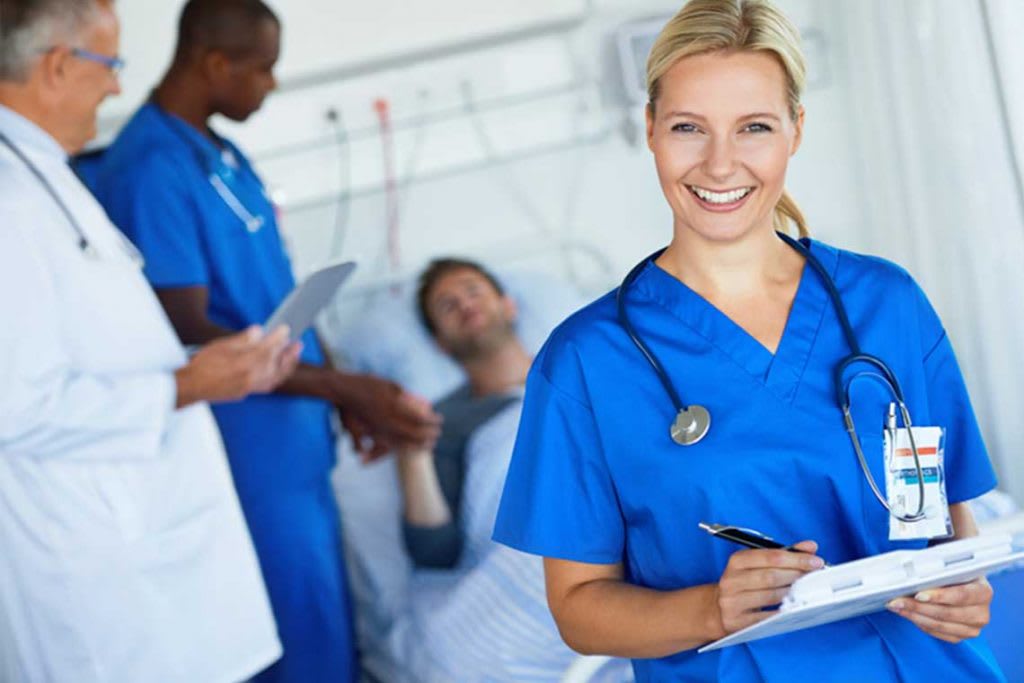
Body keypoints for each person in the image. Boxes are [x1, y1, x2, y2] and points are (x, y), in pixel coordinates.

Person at [493, 1, 1005, 681]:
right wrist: (712, 608)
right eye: (687, 128)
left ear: (796, 128)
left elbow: (942, 519)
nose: (721, 162)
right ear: (649, 129)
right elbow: (579, 608)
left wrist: (963, 594)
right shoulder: (587, 362)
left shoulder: (886, 304)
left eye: (754, 127)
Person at [87, 1, 442, 681]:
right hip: (243, 447)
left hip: (292, 430)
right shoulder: (149, 168)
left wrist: (339, 391)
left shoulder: (221, 153)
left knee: (323, 623)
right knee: (290, 633)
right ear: (216, 63)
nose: (272, 85)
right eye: (263, 69)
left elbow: (280, 295)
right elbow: (186, 327)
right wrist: (342, 386)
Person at [0, 1, 302, 681]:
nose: (115, 87)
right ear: (56, 67)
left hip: (137, 538)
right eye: (109, 66)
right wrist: (193, 382)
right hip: (94, 572)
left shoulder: (42, 174)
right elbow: (16, 407)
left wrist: (201, 368)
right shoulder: (9, 199)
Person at [397, 258, 533, 570]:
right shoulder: (438, 422)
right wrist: (412, 457)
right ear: (440, 343)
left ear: (509, 305)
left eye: (473, 291)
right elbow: (435, 554)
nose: (465, 305)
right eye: (447, 306)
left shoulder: (581, 371)